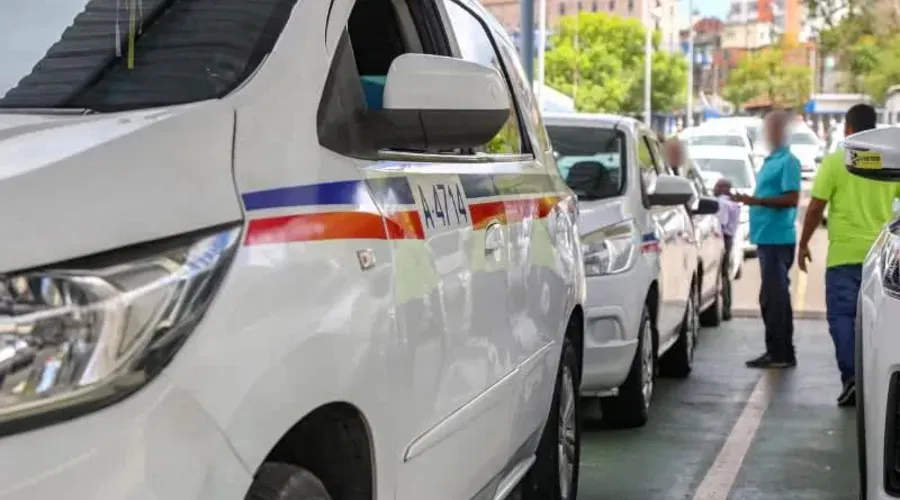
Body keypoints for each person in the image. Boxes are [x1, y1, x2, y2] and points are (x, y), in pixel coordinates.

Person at [798, 103, 900, 407]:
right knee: (877, 322)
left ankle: (853, 378)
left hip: (843, 257)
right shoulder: (890, 162)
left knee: (842, 318)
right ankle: (874, 384)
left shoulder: (835, 162)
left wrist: (803, 244)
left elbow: (815, 207)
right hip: (881, 258)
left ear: (849, 130)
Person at [731, 110, 802, 369]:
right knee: (772, 297)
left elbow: (791, 198)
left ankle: (781, 352)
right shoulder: (770, 160)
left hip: (778, 239)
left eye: (772, 129)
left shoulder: (788, 162)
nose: (768, 134)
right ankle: (778, 350)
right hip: (765, 238)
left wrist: (758, 201)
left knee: (775, 298)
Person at [713, 178, 740, 320]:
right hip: (730, 238)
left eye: (717, 186)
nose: (714, 188)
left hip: (722, 238)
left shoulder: (722, 203)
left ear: (724, 188)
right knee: (725, 274)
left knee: (721, 273)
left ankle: (724, 308)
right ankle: (727, 307)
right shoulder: (734, 204)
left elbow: (720, 223)